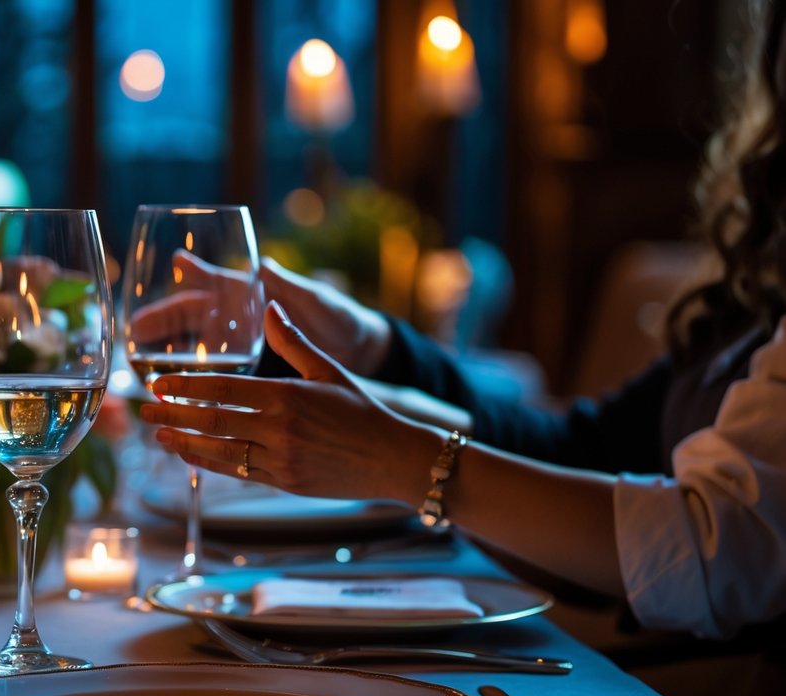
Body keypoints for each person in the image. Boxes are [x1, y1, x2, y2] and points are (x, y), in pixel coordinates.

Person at [139, 0, 786, 644]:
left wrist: (402, 462)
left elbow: (716, 550)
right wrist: (373, 345)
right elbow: (574, 454)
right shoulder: (753, 287)